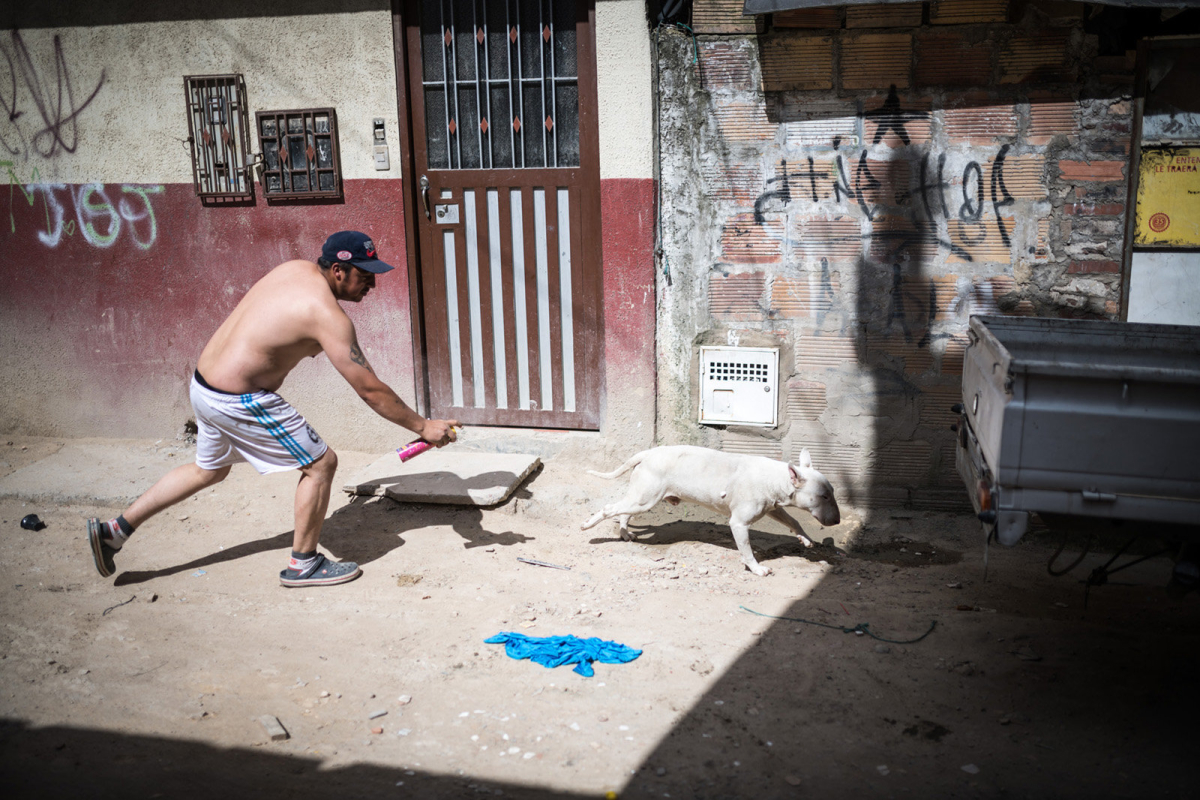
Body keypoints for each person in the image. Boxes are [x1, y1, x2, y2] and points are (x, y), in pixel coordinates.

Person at [87, 231, 458, 587]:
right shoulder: (326, 315)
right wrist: (423, 427)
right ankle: (304, 564)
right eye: (365, 276)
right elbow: (370, 389)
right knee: (321, 464)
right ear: (338, 271)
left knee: (208, 471)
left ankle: (114, 531)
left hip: (204, 385)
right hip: (239, 399)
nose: (372, 285)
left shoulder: (294, 269)